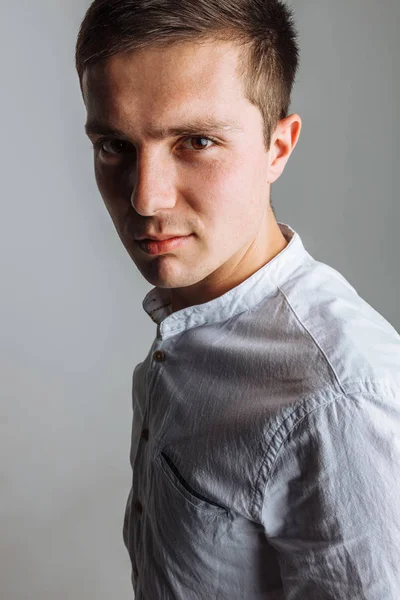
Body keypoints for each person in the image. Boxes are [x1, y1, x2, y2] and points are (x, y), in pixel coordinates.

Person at [75, 1, 400, 598]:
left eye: (196, 141)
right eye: (114, 146)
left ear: (278, 147)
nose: (146, 199)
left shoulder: (339, 398)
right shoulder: (186, 325)